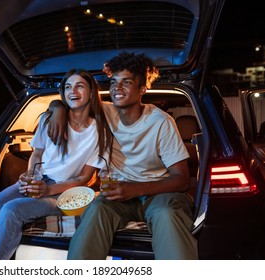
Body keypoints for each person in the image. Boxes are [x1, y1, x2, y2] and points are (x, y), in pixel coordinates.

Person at [47, 52, 198, 260]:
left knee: (167, 214)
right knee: (96, 210)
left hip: (159, 193)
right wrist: (56, 109)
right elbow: (71, 101)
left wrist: (136, 189)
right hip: (119, 194)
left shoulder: (160, 121)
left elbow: (181, 179)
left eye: (126, 82)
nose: (117, 88)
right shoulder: (104, 113)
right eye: (114, 82)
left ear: (142, 89)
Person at [0, 69, 112, 260]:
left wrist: (48, 191)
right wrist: (30, 176)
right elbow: (37, 154)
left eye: (80, 86)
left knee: (11, 211)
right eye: (68, 87)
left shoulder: (99, 132)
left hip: (65, 192)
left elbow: (84, 178)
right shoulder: (48, 119)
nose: (73, 91)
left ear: (92, 93)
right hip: (39, 180)